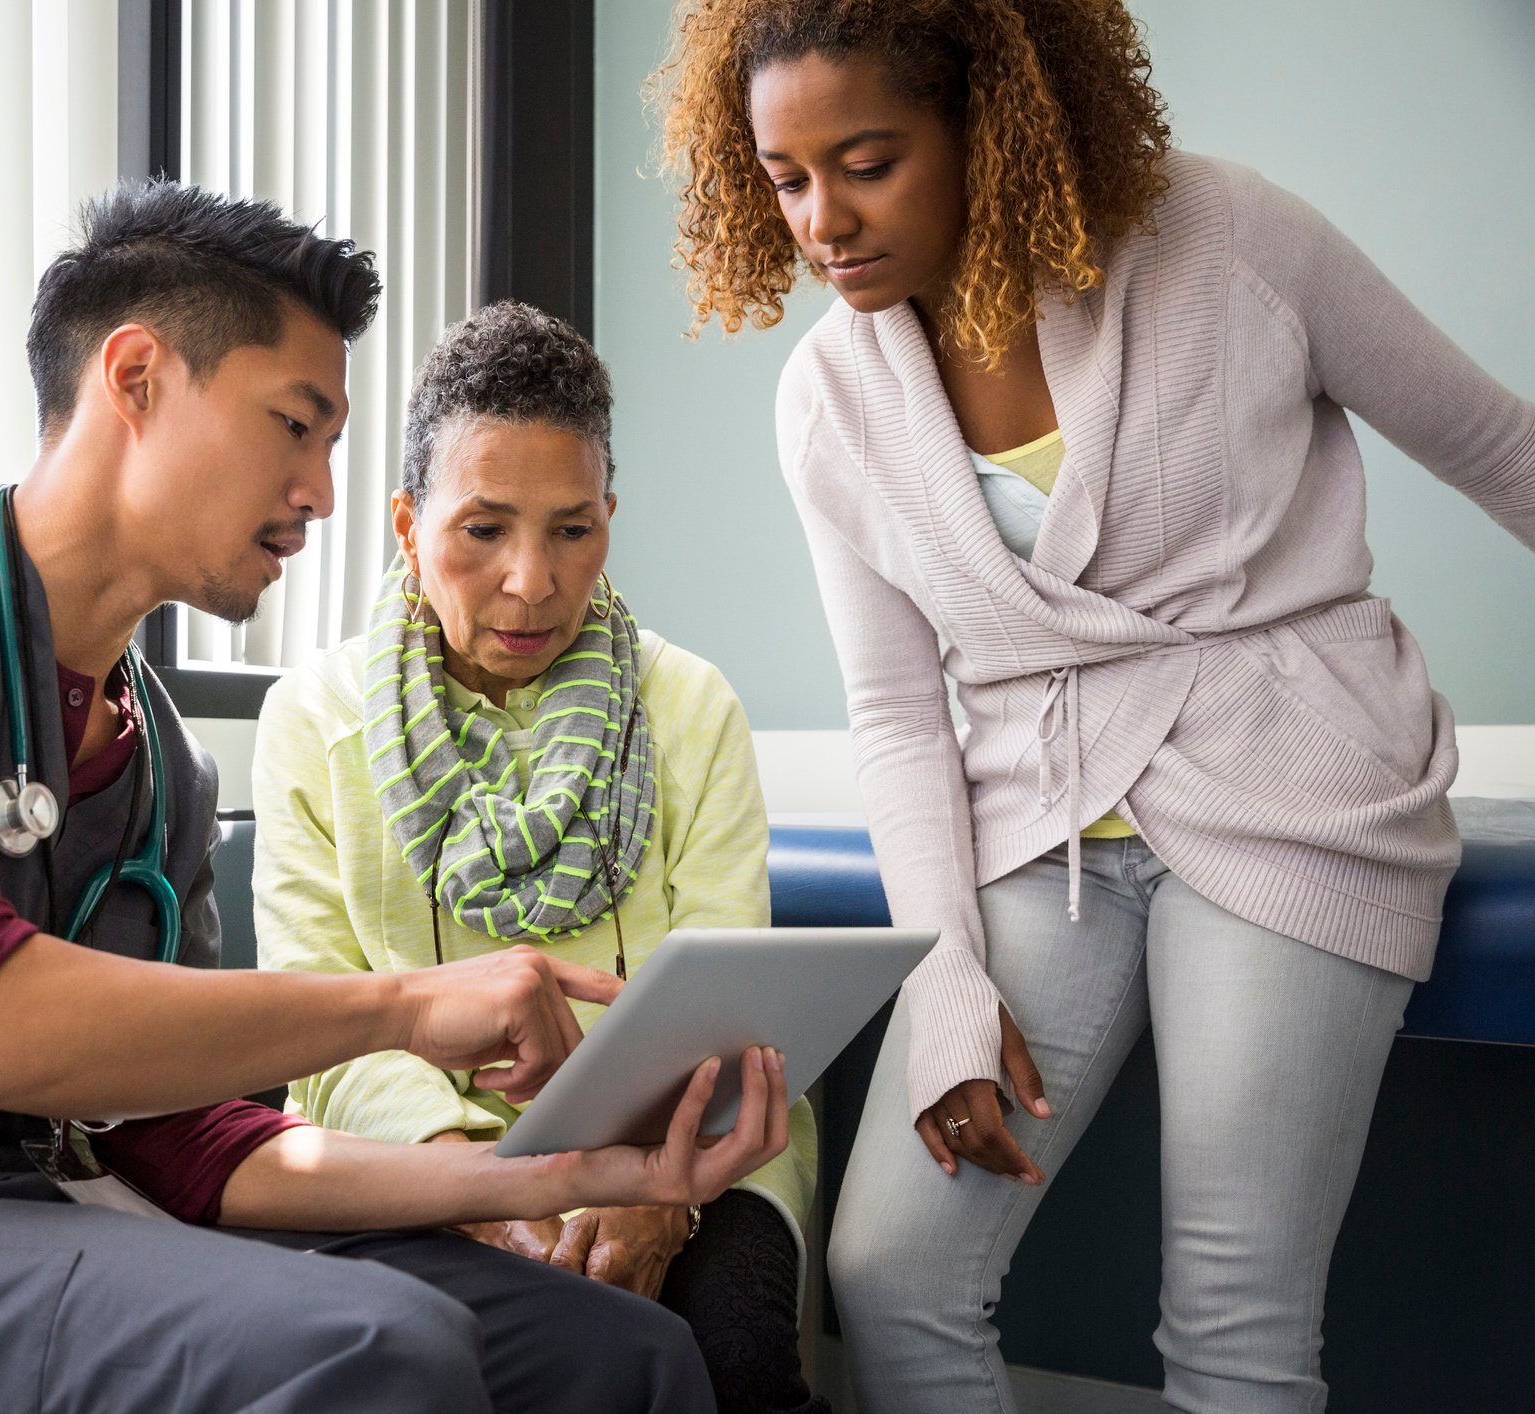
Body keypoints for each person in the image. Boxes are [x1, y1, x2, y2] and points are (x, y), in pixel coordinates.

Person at [0, 183, 794, 1414]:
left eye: (335, 444)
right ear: (137, 376)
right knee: (378, 1349)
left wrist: (565, 1173)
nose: (321, 497)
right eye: (294, 424)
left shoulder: (160, 756)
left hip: (24, 1216)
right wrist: (404, 1005)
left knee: (620, 1354)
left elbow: (193, 1142)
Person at [652, 1, 1535, 1410]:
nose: (822, 219)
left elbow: (1499, 445)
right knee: (890, 1274)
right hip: (1040, 823)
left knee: (1232, 1316)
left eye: (867, 161)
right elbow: (893, 710)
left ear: (988, 123)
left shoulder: (1229, 240)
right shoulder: (826, 395)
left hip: (1292, 783)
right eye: (785, 176)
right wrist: (942, 983)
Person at [253, 300, 829, 1414]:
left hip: (700, 1147)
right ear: (410, 522)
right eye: (484, 529)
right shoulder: (313, 721)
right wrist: (476, 1180)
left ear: (611, 516)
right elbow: (320, 1033)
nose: (532, 579)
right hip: (417, 1158)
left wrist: (655, 1191)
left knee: (736, 1364)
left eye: (572, 529)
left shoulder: (689, 704)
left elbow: (730, 1006)